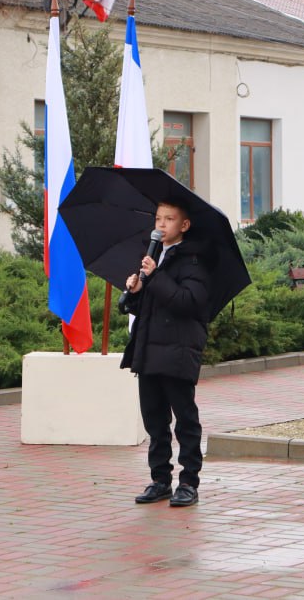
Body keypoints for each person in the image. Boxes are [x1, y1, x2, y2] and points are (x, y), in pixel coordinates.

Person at [120, 199, 212, 508]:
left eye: (169, 219)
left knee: (184, 419)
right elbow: (147, 305)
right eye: (158, 218)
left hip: (178, 349)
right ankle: (160, 479)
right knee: (154, 419)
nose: (160, 225)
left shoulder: (195, 260)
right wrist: (134, 293)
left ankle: (188, 482)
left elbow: (187, 302)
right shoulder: (154, 254)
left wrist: (155, 277)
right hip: (148, 349)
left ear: (183, 226)